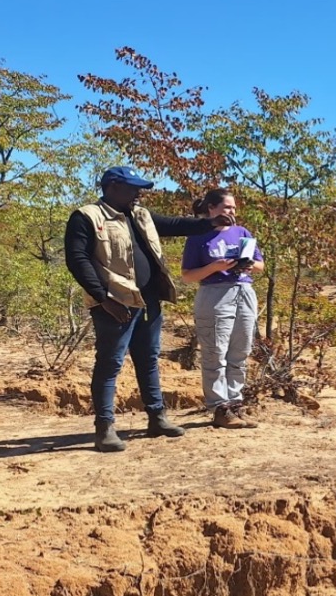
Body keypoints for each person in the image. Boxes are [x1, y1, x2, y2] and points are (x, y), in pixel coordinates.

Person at [64, 166, 236, 452]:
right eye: (132, 188)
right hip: (115, 302)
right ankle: (104, 429)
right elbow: (77, 259)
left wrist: (211, 223)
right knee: (110, 363)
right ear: (113, 187)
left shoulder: (140, 214)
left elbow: (176, 225)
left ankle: (157, 418)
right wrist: (103, 298)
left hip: (148, 301)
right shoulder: (87, 218)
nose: (138, 193)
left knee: (149, 359)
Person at [180, 189, 264, 429]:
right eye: (227, 207)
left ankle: (236, 405)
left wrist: (248, 265)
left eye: (234, 208)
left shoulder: (242, 233)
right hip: (214, 295)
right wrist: (215, 267)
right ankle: (220, 408)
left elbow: (260, 265)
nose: (232, 212)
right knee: (215, 353)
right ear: (211, 208)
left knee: (240, 352)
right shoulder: (198, 235)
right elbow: (187, 275)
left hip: (244, 292)